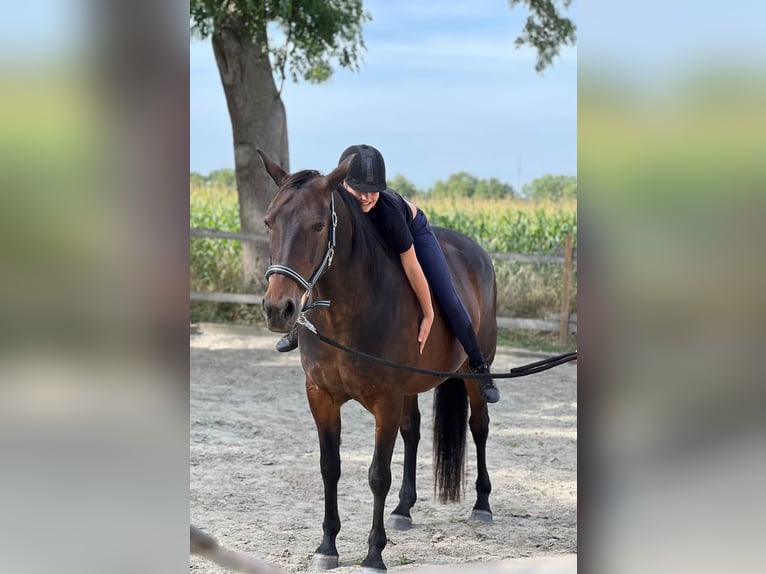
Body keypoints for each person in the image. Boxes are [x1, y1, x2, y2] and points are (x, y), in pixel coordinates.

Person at [275, 144, 499, 403]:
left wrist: (428, 313)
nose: (367, 197)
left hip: (413, 231)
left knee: (448, 297)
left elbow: (412, 267)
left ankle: (480, 367)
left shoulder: (388, 212)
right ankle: (297, 328)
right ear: (343, 185)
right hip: (370, 240)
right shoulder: (335, 207)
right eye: (359, 189)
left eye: (373, 191)